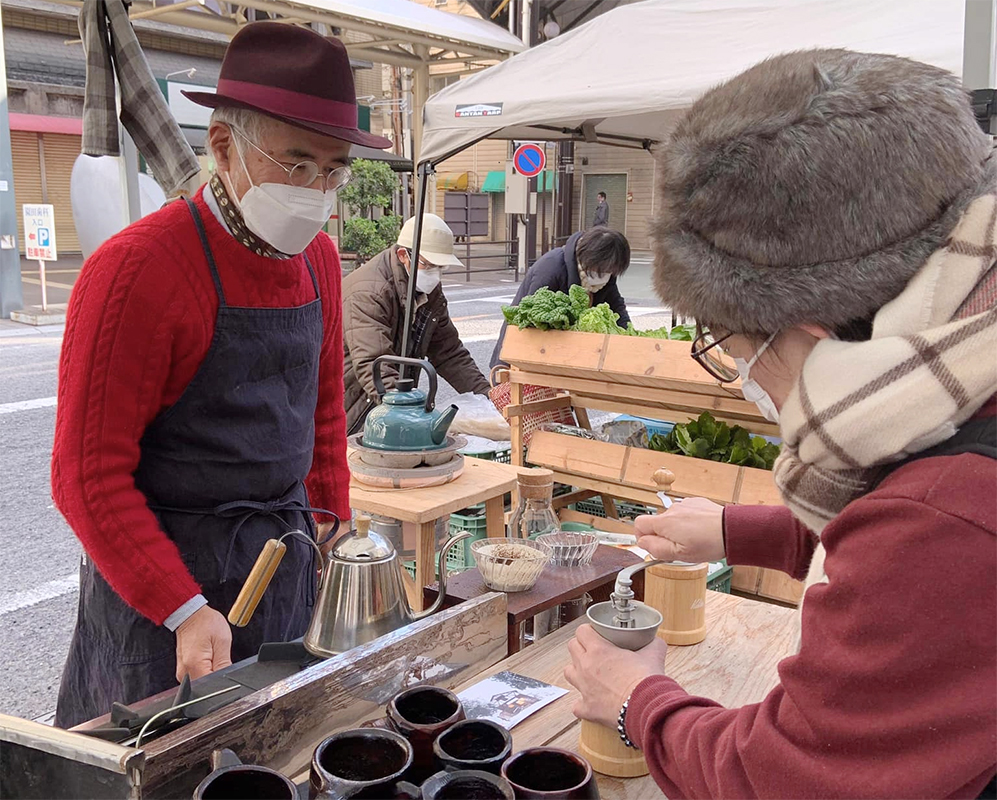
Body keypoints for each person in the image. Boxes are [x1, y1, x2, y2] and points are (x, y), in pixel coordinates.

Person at [564, 49, 996, 798]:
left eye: (729, 345)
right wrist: (740, 532)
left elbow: (789, 777)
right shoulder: (960, 366)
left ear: (813, 333)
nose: (739, 375)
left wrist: (638, 703)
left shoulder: (944, 513)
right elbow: (909, 541)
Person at [51, 23, 392, 728]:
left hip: (283, 564)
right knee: (163, 755)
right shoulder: (137, 270)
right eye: (296, 164)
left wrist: (330, 520)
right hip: (164, 586)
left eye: (333, 171)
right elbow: (86, 476)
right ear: (222, 146)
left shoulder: (320, 259)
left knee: (274, 745)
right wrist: (180, 605)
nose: (316, 190)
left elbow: (324, 407)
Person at [343, 213, 491, 435]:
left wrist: (487, 396)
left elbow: (448, 352)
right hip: (355, 401)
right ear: (404, 255)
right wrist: (408, 415)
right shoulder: (368, 291)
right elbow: (374, 363)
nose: (436, 275)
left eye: (442, 268)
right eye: (429, 265)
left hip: (390, 400)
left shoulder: (427, 290)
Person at [491, 227, 631, 367]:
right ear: (590, 258)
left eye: (610, 271)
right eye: (603, 270)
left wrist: (631, 341)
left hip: (567, 359)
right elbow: (525, 320)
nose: (606, 275)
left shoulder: (604, 275)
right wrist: (505, 366)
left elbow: (617, 309)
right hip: (526, 356)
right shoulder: (551, 267)